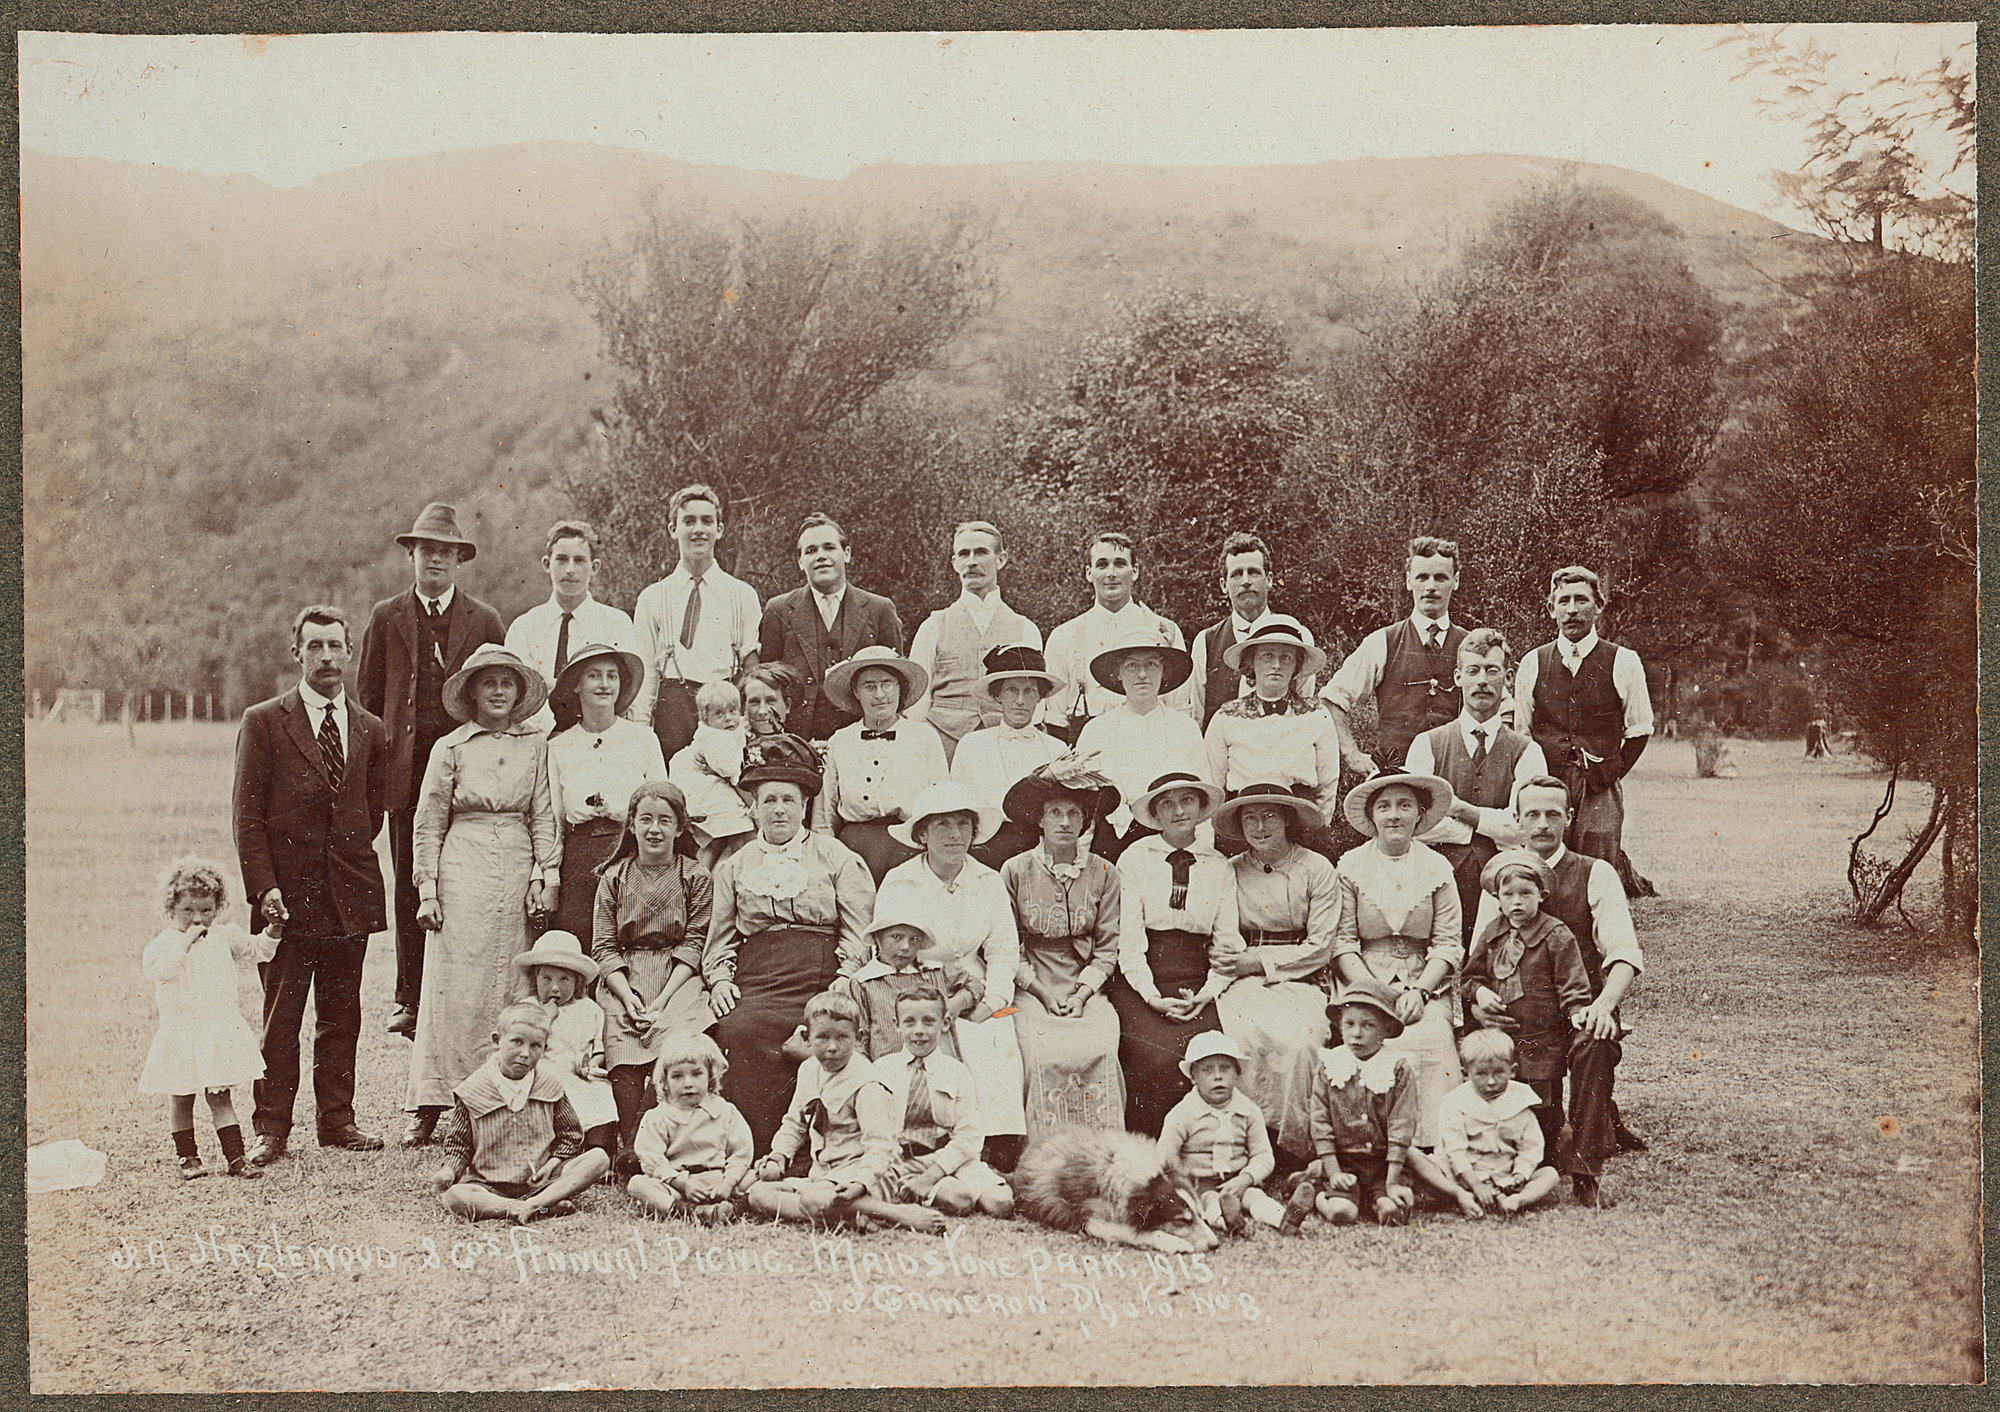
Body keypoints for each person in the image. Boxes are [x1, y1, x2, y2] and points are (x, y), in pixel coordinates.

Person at [234, 604, 393, 1164]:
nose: (326, 657)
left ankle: (337, 1121)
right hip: (286, 898)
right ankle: (271, 1126)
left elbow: (371, 812)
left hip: (349, 893)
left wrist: (342, 863)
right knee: (281, 1016)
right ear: (296, 652)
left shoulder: (371, 728)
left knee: (342, 1013)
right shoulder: (264, 720)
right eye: (314, 646)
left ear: (350, 652)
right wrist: (265, 888)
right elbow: (246, 816)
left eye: (334, 646)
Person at [401, 644, 559, 1149]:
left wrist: (542, 874)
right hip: (462, 865)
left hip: (515, 863)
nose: (497, 692)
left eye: (506, 683)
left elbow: (544, 814)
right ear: (472, 692)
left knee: (512, 978)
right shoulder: (450, 747)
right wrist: (427, 890)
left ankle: (507, 1099)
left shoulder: (536, 746)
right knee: (453, 984)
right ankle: (433, 1102)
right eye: (488, 683)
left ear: (518, 692)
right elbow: (428, 821)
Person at [359, 503, 506, 1041]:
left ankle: (463, 994)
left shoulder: (484, 619)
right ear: (412, 556)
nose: (436, 560)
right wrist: (379, 770)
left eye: (445, 552)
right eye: (427, 551)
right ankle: (410, 996)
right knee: (411, 882)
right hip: (405, 773)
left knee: (465, 880)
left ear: (459, 559)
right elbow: (369, 699)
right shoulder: (386, 616)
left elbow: (500, 692)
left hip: (467, 769)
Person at [1468, 777, 1647, 1203]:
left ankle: (1586, 1171)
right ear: (1516, 820)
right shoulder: (1500, 877)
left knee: (1594, 1042)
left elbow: (1624, 954)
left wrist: (1603, 1006)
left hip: (1579, 1006)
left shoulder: (1594, 872)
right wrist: (1478, 1003)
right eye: (1532, 814)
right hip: (1518, 1012)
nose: (1542, 824)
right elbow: (1478, 958)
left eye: (1552, 814)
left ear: (1569, 817)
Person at [704, 735, 877, 1153]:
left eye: (788, 800)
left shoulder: (836, 857)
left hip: (820, 973)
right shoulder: (734, 866)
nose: (779, 809)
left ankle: (806, 1152)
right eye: (769, 800)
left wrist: (845, 977)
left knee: (814, 1031)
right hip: (757, 975)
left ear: (804, 805)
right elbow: (720, 939)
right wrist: (720, 980)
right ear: (754, 807)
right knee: (737, 1029)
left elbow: (859, 930)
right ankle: (750, 1150)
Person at [880, 781, 1029, 1168]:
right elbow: (891, 952)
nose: (954, 834)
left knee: (996, 1033)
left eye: (963, 824)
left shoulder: (987, 880)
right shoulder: (900, 881)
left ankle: (997, 1146)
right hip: (914, 984)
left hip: (979, 983)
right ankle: (936, 1145)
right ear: (922, 834)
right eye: (942, 824)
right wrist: (933, 1002)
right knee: (934, 1039)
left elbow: (1003, 948)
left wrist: (992, 1001)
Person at [1331, 771, 1464, 1148]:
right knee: (1370, 1038)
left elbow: (1448, 943)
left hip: (1423, 980)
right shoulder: (1350, 866)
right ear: (1371, 814)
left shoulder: (1437, 868)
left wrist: (1420, 992)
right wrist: (1373, 993)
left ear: (1420, 814)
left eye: (1405, 806)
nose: (1394, 815)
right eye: (1384, 806)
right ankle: (1371, 1146)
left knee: (1433, 1037)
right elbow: (1343, 941)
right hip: (1363, 979)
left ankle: (1431, 1146)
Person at [590, 781, 715, 1172]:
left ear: (680, 827)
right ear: (631, 825)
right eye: (645, 819)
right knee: (621, 1040)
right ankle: (632, 1143)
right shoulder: (614, 877)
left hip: (678, 977)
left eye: (665, 820)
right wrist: (628, 997)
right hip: (624, 977)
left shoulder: (695, 876)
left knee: (677, 1035)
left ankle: (652, 1144)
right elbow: (603, 947)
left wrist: (661, 1001)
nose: (654, 829)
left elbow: (694, 944)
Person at [1108, 772, 1241, 1137]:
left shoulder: (1219, 865)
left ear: (1201, 807)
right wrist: (1152, 997)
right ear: (1155, 813)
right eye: (1167, 803)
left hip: (1198, 979)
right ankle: (1151, 1150)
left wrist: (1207, 994)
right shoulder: (1135, 858)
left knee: (1207, 1052)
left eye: (1187, 800)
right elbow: (1129, 938)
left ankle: (1206, 1147)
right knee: (1154, 1055)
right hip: (1142, 977)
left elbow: (1227, 940)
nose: (1178, 810)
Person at [743, 990, 943, 1233]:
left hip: (867, 1174)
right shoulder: (808, 1069)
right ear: (806, 1037)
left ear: (858, 1037)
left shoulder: (866, 1081)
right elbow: (795, 1124)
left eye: (842, 1038)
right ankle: (853, 1216)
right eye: (822, 1037)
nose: (832, 1047)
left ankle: (898, 1213)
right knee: (758, 1193)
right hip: (823, 1176)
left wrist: (860, 1183)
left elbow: (881, 1146)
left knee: (814, 1199)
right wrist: (779, 1156)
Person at [1210, 783, 1339, 1159]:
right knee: (1240, 1036)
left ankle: (1294, 1146)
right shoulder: (1230, 870)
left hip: (1301, 975)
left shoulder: (1316, 868)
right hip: (1242, 976)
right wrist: (1236, 961)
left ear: (1287, 820)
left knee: (1302, 1042)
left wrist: (1261, 962)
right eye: (1250, 818)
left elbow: (1321, 946)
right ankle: (1242, 1141)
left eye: (1269, 816)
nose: (1260, 827)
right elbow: (1218, 928)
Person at [998, 764, 1127, 1135]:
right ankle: (1046, 1152)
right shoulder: (1015, 870)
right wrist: (1040, 992)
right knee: (1041, 1054)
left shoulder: (1105, 872)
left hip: (1084, 984)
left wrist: (1083, 995)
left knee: (1102, 1048)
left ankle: (1102, 1151)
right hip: (1030, 984)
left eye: (1074, 813)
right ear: (1040, 820)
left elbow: (1107, 947)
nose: (1065, 822)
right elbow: (1008, 946)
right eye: (1055, 812)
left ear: (1086, 821)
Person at [1284, 980, 1478, 1229]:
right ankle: (1314, 1193)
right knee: (1342, 1213)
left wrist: (1392, 1181)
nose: (1356, 1033)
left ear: (1386, 1029)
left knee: (1393, 1212)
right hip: (1343, 1163)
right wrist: (1334, 1173)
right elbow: (1320, 1122)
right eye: (1349, 1024)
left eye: (1368, 1025)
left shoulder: (1397, 1068)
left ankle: (1382, 1200)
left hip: (1383, 1164)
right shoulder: (1331, 1065)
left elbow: (1401, 1126)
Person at [1460, 851, 1595, 1196]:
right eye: (1508, 895)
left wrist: (1577, 1010)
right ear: (1497, 898)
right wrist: (1480, 993)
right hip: (1501, 1037)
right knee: (1500, 1095)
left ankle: (1545, 1157)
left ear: (1541, 895)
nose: (1517, 902)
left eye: (1526, 893)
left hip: (1541, 1037)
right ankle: (1502, 1154)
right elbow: (1470, 976)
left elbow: (1573, 983)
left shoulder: (1555, 934)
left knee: (1542, 1103)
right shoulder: (1492, 933)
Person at [1403, 627, 1548, 942]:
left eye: (1492, 670)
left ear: (1508, 678)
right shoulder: (1426, 744)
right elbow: (1416, 824)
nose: (1482, 680)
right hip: (1435, 878)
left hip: (1502, 887)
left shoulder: (1528, 751)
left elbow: (1522, 829)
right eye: (1473, 671)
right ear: (1458, 677)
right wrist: (1487, 827)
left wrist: (1456, 808)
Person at [138, 859, 278, 1181]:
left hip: (216, 1029)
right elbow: (162, 972)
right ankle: (188, 1156)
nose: (198, 918)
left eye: (206, 910)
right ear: (171, 907)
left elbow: (256, 950)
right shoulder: (162, 945)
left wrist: (273, 930)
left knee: (220, 1095)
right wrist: (185, 943)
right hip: (181, 1031)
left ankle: (236, 1157)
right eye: (188, 911)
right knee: (181, 1095)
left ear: (218, 907)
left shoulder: (224, 936)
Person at [1513, 565, 1653, 871]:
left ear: (1598, 606)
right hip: (1547, 785)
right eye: (1564, 601)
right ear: (1551, 609)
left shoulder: (1624, 661)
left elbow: (1639, 730)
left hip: (1599, 786)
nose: (1572, 610)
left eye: (1581, 600)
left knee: (1597, 865)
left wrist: (1609, 773)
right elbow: (1522, 732)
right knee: (1543, 864)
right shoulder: (1532, 663)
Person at [430, 1001, 611, 1223]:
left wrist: (551, 1165)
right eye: (517, 1042)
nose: (525, 1053)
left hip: (542, 1182)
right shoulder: (473, 1090)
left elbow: (570, 1136)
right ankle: (523, 1207)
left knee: (598, 1159)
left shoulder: (550, 1086)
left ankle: (538, 1203)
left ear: (544, 1048)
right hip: (490, 1185)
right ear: (497, 1040)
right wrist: (449, 1171)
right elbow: (459, 1145)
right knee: (456, 1196)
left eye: (536, 1046)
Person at [628, 483, 762, 763]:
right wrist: (640, 732)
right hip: (673, 714)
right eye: (689, 521)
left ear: (719, 530)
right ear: (673, 529)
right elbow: (647, 672)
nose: (698, 529)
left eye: (707, 521)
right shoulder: (653, 597)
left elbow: (752, 670)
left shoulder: (742, 595)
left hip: (725, 712)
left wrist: (750, 726)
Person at [544, 643, 664, 943]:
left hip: (632, 853)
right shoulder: (558, 747)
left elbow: (663, 808)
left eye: (612, 676)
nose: (604, 684)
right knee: (578, 941)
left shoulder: (643, 739)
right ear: (576, 685)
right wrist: (550, 879)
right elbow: (553, 820)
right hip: (579, 860)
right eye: (594, 675)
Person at [1321, 535, 1469, 775]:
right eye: (1422, 577)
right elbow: (1331, 700)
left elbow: (1503, 710)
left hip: (1454, 779)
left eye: (1440, 577)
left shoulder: (1470, 645)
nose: (1431, 586)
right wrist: (1352, 755)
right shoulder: (1383, 642)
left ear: (1456, 581)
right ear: (1409, 581)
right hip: (1396, 782)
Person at [757, 512, 906, 741]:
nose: (821, 556)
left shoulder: (880, 609)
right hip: (796, 740)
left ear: (846, 554)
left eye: (829, 547)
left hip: (860, 738)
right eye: (810, 551)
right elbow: (767, 684)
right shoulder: (778, 609)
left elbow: (896, 682)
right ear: (800, 562)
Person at [903, 520, 1043, 764]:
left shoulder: (1025, 629)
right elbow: (917, 699)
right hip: (944, 747)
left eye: (980, 552)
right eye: (963, 554)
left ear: (1001, 559)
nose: (971, 562)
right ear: (954, 563)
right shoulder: (933, 626)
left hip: (1004, 749)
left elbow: (1037, 701)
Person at [875, 988, 1016, 1219]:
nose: (919, 1030)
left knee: (1000, 1203)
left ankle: (933, 1184)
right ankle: (924, 1187)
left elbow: (968, 1136)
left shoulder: (956, 1072)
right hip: (904, 1160)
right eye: (909, 1022)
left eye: (929, 1021)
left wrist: (931, 1176)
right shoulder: (882, 1069)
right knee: (959, 1200)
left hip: (950, 1158)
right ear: (896, 1024)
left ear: (945, 1023)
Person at [814, 646, 949, 883]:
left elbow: (942, 803)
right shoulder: (840, 741)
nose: (879, 694)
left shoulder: (924, 737)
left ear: (900, 687)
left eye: (887, 684)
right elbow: (825, 815)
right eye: (869, 686)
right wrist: (829, 862)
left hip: (911, 847)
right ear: (855, 691)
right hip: (853, 850)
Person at [1042, 532, 1191, 743]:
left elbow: (1179, 710)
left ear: (1135, 571)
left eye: (1120, 564)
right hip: (1088, 749)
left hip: (1153, 744)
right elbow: (1056, 721)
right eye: (1102, 565)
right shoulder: (1063, 636)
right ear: (1089, 573)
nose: (1111, 573)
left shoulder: (1165, 631)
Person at [1073, 632, 1210, 861]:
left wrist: (1203, 852)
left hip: (1172, 840)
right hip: (1113, 839)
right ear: (1118, 672)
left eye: (1151, 664)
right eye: (1132, 665)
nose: (1142, 674)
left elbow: (1203, 798)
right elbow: (1082, 804)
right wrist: (1080, 860)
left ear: (1163, 670)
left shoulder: (1185, 728)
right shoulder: (1096, 730)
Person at [1203, 617, 1341, 843]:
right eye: (1267, 656)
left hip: (1300, 824)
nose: (1276, 665)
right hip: (1244, 824)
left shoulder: (1316, 715)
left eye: (1286, 657)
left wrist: (1316, 829)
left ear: (1296, 666)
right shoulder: (1226, 717)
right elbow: (1214, 784)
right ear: (1251, 662)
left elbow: (1328, 784)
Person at [503, 519, 639, 735]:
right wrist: (550, 734)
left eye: (579, 560)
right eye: (561, 559)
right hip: (534, 736)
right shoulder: (524, 627)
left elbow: (622, 695)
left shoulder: (615, 623)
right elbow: (522, 693)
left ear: (594, 567)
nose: (570, 570)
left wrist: (550, 686)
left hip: (597, 738)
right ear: (547, 564)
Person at [950, 644, 1067, 869]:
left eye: (1029, 691)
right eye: (1012, 690)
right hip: (983, 850)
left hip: (1038, 849)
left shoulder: (1056, 749)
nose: (1020, 700)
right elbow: (958, 804)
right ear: (998, 695)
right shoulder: (971, 745)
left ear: (1040, 696)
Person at [1156, 1033, 1286, 1235]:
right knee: (1209, 1200)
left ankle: (1283, 1219)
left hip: (1238, 1179)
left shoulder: (1248, 1111)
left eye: (1225, 1068)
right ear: (1193, 1077)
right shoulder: (1182, 1115)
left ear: (1237, 1073)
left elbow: (1263, 1155)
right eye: (1207, 1070)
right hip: (1199, 1184)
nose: (1217, 1076)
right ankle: (1228, 1222)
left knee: (1254, 1196)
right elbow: (1165, 1159)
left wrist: (1246, 1178)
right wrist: (1180, 1187)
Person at [627, 1032, 755, 1226]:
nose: (688, 1084)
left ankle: (732, 1208)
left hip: (720, 1180)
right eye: (677, 1076)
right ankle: (689, 1211)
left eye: (696, 1074)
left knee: (757, 1177)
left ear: (710, 1075)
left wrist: (727, 1183)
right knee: (638, 1184)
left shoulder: (725, 1111)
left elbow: (741, 1152)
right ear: (665, 1080)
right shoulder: (658, 1116)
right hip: (679, 1185)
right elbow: (652, 1158)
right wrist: (682, 1184)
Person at [512, 930, 618, 1160]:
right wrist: (546, 1018)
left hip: (579, 1075)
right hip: (544, 1072)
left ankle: (597, 1150)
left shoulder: (590, 1010)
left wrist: (592, 1063)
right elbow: (523, 1045)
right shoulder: (528, 1007)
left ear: (577, 981)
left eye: (564, 980)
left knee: (601, 1094)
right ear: (535, 978)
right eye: (547, 979)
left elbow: (597, 1047)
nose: (555, 988)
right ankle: (558, 1149)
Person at [1436, 1029, 1562, 1215]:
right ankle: (1469, 1195)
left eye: (1499, 1072)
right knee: (1430, 1165)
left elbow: (1531, 1147)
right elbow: (1454, 1151)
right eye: (1481, 1073)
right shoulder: (1455, 1102)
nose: (1491, 1082)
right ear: (1466, 1074)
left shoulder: (1520, 1100)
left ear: (1513, 1071)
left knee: (1549, 1174)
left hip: (1505, 1175)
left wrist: (1520, 1174)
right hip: (1466, 1175)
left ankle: (1517, 1199)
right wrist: (1476, 1184)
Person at [836, 902, 962, 1063]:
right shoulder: (863, 982)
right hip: (889, 1068)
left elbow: (973, 985)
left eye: (914, 939)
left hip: (941, 1064)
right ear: (877, 938)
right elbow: (858, 1041)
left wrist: (958, 1002)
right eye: (896, 937)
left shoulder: (933, 972)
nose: (905, 947)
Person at [1188, 532, 1283, 729]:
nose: (1246, 581)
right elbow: (1196, 719)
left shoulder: (1296, 637)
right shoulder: (1205, 643)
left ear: (1269, 580)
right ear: (1224, 585)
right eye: (1237, 574)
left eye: (1254, 572)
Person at [669, 680, 755, 870]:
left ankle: (700, 876)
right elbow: (729, 768)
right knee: (740, 832)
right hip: (708, 793)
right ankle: (708, 876)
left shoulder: (721, 730)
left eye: (733, 711)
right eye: (719, 714)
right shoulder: (716, 737)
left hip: (706, 791)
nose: (728, 719)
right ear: (704, 717)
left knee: (717, 841)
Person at [741, 662, 805, 740]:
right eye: (754, 702)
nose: (762, 711)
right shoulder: (733, 743)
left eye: (770, 701)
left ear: (787, 705)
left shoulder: (796, 744)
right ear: (744, 706)